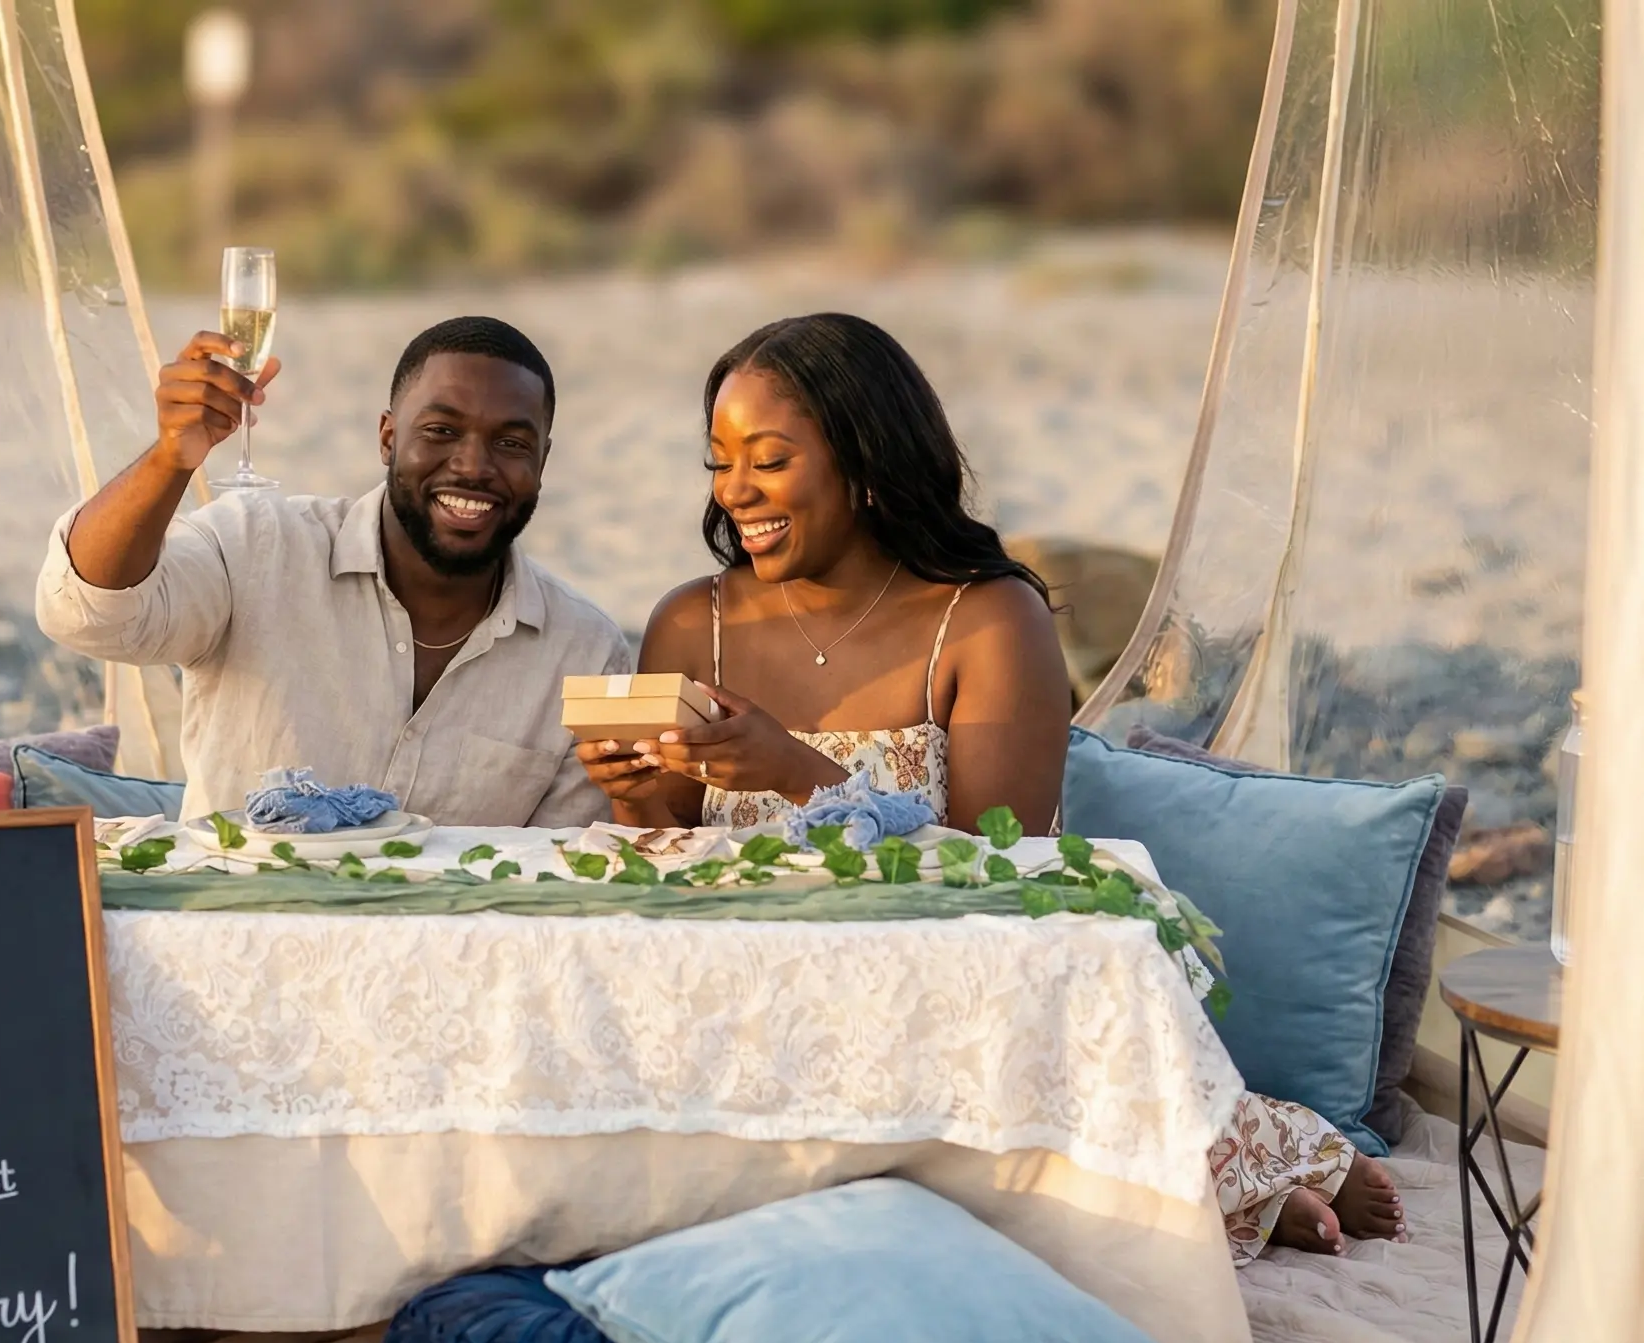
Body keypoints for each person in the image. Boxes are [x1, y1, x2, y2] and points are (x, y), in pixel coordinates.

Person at [578, 313, 1404, 1262]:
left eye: (767, 460)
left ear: (865, 458)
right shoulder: (693, 621)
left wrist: (794, 773)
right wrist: (633, 792)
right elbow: (667, 862)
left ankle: (1235, 1161)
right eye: (719, 462)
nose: (736, 492)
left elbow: (1006, 879)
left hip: (949, 988)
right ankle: (1216, 1167)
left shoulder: (985, 618)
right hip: (761, 983)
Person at [36, 316, 629, 827]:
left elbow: (556, 877)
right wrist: (170, 457)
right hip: (237, 939)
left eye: (510, 443)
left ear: (543, 461)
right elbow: (85, 614)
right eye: (441, 432)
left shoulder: (585, 651)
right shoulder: (255, 548)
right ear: (388, 437)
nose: (473, 465)